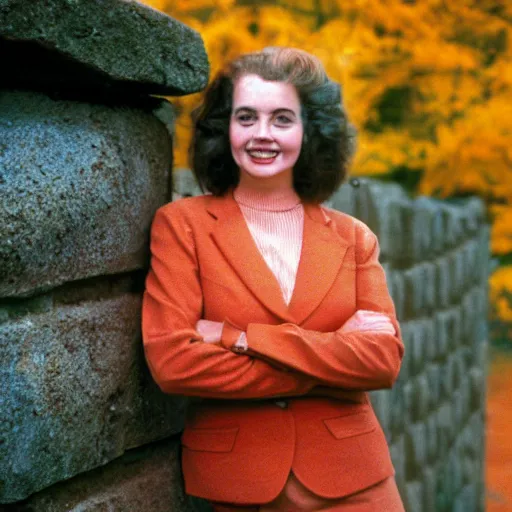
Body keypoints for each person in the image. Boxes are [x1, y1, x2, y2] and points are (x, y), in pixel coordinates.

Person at [142, 47, 405, 511]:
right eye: (246, 117)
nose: (262, 135)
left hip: (355, 482)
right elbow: (173, 363)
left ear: (310, 131)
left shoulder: (353, 237)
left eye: (282, 119)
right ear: (225, 128)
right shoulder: (182, 225)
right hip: (239, 484)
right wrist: (327, 369)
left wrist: (238, 338)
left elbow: (381, 360)